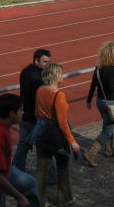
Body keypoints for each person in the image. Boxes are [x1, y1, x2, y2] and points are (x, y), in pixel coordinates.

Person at [35, 62, 80, 207]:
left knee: (42, 169)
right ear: (54, 75)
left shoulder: (40, 90)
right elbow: (62, 123)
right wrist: (72, 141)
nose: (63, 75)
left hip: (42, 133)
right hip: (56, 136)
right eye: (60, 72)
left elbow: (37, 113)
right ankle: (65, 199)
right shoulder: (59, 95)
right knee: (63, 168)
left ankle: (40, 200)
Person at [84, 41, 114, 166]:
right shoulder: (113, 69)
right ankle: (91, 154)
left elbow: (93, 85)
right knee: (107, 130)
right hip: (111, 103)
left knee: (108, 126)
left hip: (100, 101)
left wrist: (89, 100)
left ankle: (109, 150)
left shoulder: (98, 68)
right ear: (113, 54)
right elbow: (111, 88)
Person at [14, 48, 51, 170]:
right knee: (44, 148)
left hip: (24, 115)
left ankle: (16, 172)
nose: (48, 64)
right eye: (45, 62)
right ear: (36, 61)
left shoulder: (25, 71)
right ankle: (49, 175)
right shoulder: (40, 77)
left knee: (22, 147)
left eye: (49, 62)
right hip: (37, 118)